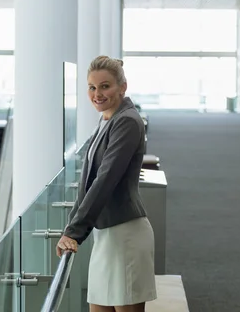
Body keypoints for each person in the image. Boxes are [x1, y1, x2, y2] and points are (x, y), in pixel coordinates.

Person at [57, 55, 157, 312]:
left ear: (122, 87)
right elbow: (88, 180)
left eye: (105, 86)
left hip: (125, 235)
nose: (97, 94)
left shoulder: (127, 121)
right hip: (106, 236)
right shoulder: (106, 120)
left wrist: (75, 232)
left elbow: (106, 179)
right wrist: (71, 228)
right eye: (92, 87)